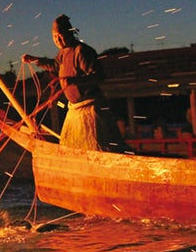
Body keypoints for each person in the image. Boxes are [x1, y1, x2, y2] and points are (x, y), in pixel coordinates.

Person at [21, 14, 125, 152]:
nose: (57, 40)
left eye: (60, 35)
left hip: (91, 109)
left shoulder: (81, 51)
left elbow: (98, 76)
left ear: (69, 33)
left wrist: (74, 81)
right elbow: (54, 66)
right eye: (54, 37)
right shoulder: (63, 53)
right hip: (75, 109)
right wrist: (33, 59)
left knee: (99, 147)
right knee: (70, 147)